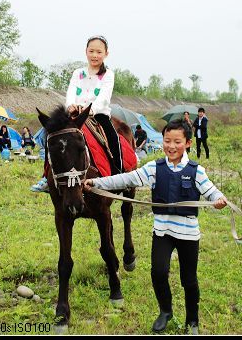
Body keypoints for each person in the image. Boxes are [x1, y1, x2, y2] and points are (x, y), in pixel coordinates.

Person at [82, 119, 228, 334]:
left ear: (187, 143)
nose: (171, 146)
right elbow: (126, 179)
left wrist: (219, 200)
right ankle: (165, 311)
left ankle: (193, 321)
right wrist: (96, 183)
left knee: (189, 280)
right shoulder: (154, 168)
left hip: (188, 235)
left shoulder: (197, 171)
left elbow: (212, 192)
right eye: (167, 141)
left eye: (177, 141)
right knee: (158, 273)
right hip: (163, 233)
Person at [31, 35, 120, 192]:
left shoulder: (108, 75)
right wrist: (71, 105)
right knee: (53, 135)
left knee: (112, 137)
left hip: (97, 114)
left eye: (99, 52)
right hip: (74, 115)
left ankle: (118, 173)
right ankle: (46, 176)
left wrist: (89, 110)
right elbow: (71, 92)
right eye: (91, 51)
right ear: (86, 52)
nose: (94, 55)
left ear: (106, 54)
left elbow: (104, 98)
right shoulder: (78, 73)